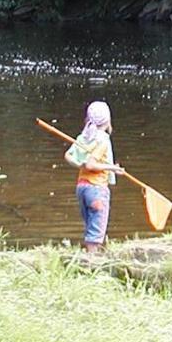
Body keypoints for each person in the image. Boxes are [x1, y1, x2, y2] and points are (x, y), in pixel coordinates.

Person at [64, 101, 123, 253]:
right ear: (108, 120)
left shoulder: (83, 137)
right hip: (97, 189)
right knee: (97, 228)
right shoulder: (102, 139)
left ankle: (91, 256)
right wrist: (112, 168)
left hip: (82, 187)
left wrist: (79, 165)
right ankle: (92, 260)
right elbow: (91, 165)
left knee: (90, 224)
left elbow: (68, 156)